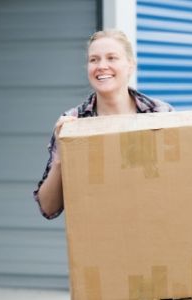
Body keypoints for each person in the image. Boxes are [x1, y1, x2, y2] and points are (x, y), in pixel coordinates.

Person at [33, 29, 174, 220]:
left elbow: (181, 182)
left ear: (130, 65)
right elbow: (48, 208)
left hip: (156, 231)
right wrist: (60, 157)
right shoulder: (73, 122)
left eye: (112, 58)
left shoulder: (159, 114)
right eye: (94, 60)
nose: (102, 66)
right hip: (99, 239)